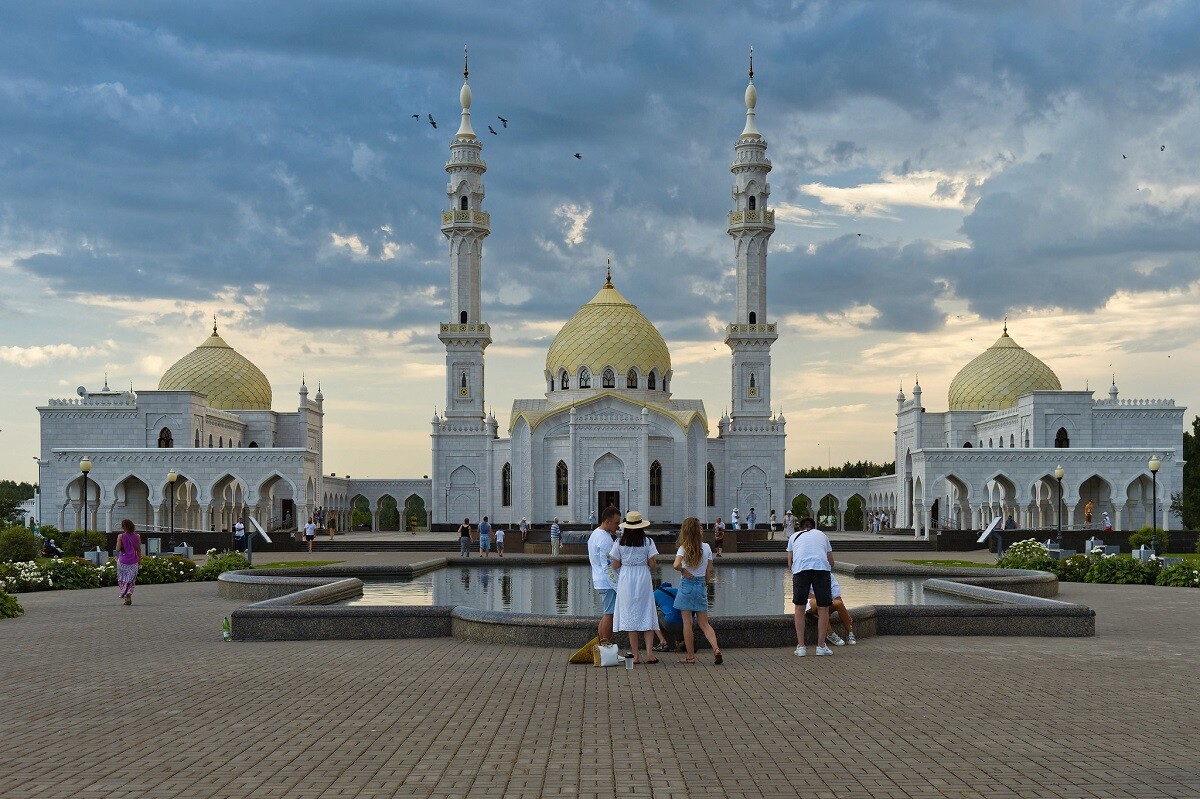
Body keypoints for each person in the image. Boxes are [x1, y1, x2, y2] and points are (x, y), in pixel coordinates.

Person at [608, 510, 660, 664]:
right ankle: (650, 654)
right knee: (647, 612)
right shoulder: (648, 542)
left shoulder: (619, 542)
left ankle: (636, 656)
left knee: (631, 616)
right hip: (643, 577)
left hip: (626, 579)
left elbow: (615, 564)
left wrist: (628, 563)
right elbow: (653, 564)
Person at [673, 517, 722, 665]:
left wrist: (683, 571)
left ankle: (690, 657)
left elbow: (675, 565)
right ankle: (716, 648)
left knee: (687, 623)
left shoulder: (683, 548)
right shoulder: (706, 547)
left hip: (687, 585)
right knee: (704, 624)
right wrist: (706, 583)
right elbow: (710, 570)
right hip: (701, 585)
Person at [787, 516, 835, 657]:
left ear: (801, 528)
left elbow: (789, 563)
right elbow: (831, 561)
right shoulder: (822, 535)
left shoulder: (794, 537)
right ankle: (821, 646)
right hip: (821, 569)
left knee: (799, 607)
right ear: (814, 527)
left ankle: (801, 647)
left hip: (801, 570)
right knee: (823, 607)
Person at [588, 506, 622, 645]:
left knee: (606, 614)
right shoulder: (605, 540)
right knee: (610, 615)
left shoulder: (595, 534)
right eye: (616, 523)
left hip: (599, 580)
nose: (618, 526)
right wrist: (617, 586)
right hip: (607, 582)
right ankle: (606, 648)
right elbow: (608, 567)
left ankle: (602, 646)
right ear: (607, 521)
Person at [806, 572, 857, 646]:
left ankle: (850, 633)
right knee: (821, 603)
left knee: (838, 603)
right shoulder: (806, 574)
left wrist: (846, 613)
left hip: (826, 600)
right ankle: (830, 633)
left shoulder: (829, 575)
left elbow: (837, 596)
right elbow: (804, 594)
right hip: (810, 602)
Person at [114, 518, 142, 606]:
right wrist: (139, 560)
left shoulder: (121, 536)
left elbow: (118, 549)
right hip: (134, 561)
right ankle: (129, 593)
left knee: (122, 579)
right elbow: (139, 550)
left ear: (123, 527)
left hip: (123, 561)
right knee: (131, 580)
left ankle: (126, 596)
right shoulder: (137, 536)